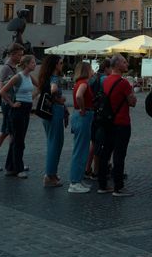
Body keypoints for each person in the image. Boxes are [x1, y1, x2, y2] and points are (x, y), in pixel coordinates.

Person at [95, 53, 136, 196]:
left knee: (105, 153)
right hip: (121, 122)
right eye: (124, 62)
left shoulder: (105, 80)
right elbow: (132, 102)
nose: (127, 65)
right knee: (119, 154)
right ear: (117, 64)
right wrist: (131, 90)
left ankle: (102, 185)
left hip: (107, 121)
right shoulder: (124, 82)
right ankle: (119, 187)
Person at [36, 54, 69, 187]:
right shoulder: (54, 77)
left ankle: (52, 173)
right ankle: (49, 175)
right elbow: (53, 89)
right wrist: (58, 100)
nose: (62, 65)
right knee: (55, 143)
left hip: (50, 113)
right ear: (55, 65)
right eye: (61, 63)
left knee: (53, 142)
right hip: (54, 112)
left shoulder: (46, 77)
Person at [1, 55, 36, 177]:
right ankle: (18, 168)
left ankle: (11, 167)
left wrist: (32, 98)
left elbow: (40, 86)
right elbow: (2, 91)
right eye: (32, 62)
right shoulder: (18, 77)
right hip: (18, 110)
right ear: (26, 64)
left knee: (18, 138)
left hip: (26, 109)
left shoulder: (29, 76)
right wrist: (12, 103)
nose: (35, 64)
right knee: (18, 140)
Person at [68, 61, 96, 193]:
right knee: (80, 149)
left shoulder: (80, 82)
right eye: (90, 69)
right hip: (83, 116)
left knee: (81, 148)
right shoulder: (84, 83)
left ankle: (78, 179)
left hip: (80, 116)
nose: (92, 71)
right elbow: (79, 95)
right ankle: (74, 182)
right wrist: (83, 109)